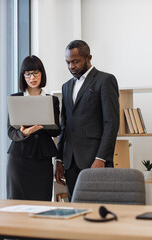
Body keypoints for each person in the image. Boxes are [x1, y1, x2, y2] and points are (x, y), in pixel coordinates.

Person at [55, 40, 119, 200]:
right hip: (70, 163)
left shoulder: (105, 80)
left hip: (94, 160)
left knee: (98, 210)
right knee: (75, 209)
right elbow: (65, 126)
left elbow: (111, 123)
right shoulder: (66, 86)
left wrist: (101, 158)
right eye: (68, 63)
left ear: (88, 58)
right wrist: (59, 159)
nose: (71, 67)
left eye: (75, 61)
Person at [7, 55, 61, 201]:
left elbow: (57, 130)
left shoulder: (52, 100)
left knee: (42, 201)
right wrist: (24, 133)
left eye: (36, 73)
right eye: (28, 74)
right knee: (17, 203)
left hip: (42, 160)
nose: (32, 77)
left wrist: (42, 122)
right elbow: (11, 132)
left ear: (42, 74)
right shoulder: (15, 99)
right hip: (19, 160)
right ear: (23, 76)